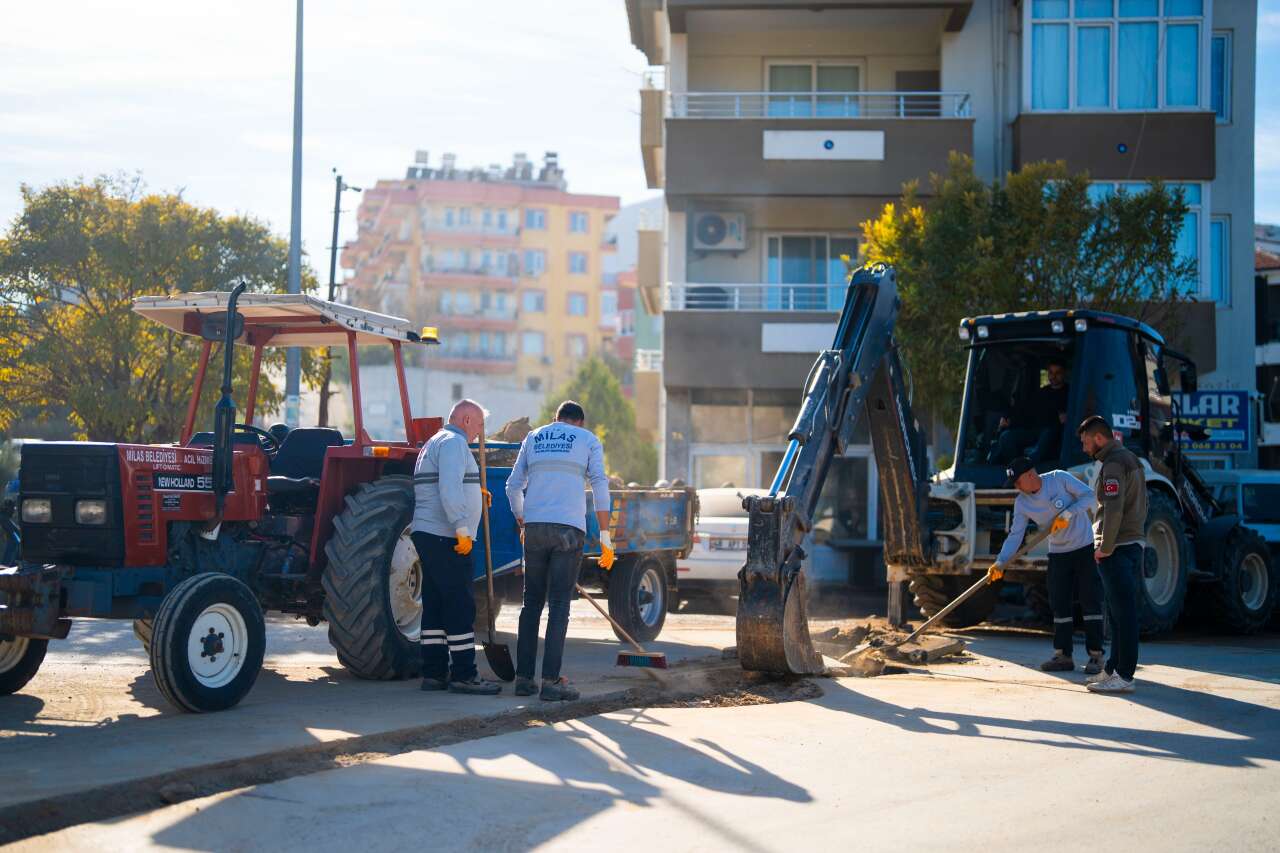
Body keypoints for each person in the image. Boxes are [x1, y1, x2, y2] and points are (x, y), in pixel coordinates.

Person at [505, 400, 612, 702]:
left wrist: (522, 519)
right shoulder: (587, 439)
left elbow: (512, 486)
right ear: (579, 422)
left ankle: (524, 680)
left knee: (531, 604)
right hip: (568, 529)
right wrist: (605, 536)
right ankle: (551, 681)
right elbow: (600, 485)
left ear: (556, 419)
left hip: (535, 527)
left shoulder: (533, 437)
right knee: (559, 604)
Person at [411, 399, 500, 695]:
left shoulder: (435, 442)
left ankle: (434, 673)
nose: (479, 433)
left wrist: (474, 490)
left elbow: (448, 483)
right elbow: (448, 487)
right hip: (446, 537)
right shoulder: (453, 443)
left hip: (430, 534)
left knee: (435, 605)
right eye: (479, 425)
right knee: (460, 605)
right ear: (466, 420)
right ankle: (464, 674)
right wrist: (462, 528)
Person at [994, 457, 1104, 674]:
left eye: (1018, 482)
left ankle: (1096, 656)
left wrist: (1068, 513)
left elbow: (1090, 496)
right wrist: (1000, 562)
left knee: (1090, 601)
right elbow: (1015, 535)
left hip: (1084, 547)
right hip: (1058, 553)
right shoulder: (1022, 502)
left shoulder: (1059, 479)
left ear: (1030, 475)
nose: (1017, 487)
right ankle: (1063, 656)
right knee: (1059, 604)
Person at [1077, 415, 1148, 695]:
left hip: (1118, 547)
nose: (1084, 448)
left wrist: (1105, 547)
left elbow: (1114, 508)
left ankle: (1125, 675)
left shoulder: (1114, 463)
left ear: (1099, 438)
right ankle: (1113, 670)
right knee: (1118, 615)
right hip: (1130, 543)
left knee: (1123, 615)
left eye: (1085, 442)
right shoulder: (1130, 458)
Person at [988, 358, 1071, 465]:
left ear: (1064, 374)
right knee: (1006, 436)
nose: (1053, 376)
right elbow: (1025, 412)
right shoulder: (1041, 393)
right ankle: (1015, 467)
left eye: (1057, 373)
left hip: (1053, 434)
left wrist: (1066, 418)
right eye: (1051, 372)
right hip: (1034, 431)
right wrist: (1008, 420)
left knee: (1049, 432)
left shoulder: (1070, 393)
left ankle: (1029, 465)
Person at [0, 499, 20, 566]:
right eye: (12, 508)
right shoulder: (3, 518)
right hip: (5, 560)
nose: (13, 511)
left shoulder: (5, 518)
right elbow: (16, 537)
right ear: (7, 509)